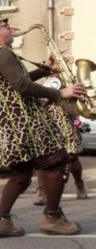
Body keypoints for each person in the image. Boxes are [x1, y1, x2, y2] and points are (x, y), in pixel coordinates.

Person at [0, 9, 86, 237]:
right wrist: (61, 92)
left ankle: (0, 221)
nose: (10, 28)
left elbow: (16, 80)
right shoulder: (3, 54)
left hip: (6, 128)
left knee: (21, 175)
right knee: (58, 162)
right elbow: (22, 87)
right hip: (23, 125)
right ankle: (52, 217)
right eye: (5, 26)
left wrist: (44, 70)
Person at [34, 77, 88, 205]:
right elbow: (38, 103)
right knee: (43, 160)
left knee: (73, 159)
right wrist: (50, 93)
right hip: (47, 128)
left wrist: (63, 94)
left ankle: (79, 184)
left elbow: (75, 109)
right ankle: (42, 191)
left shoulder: (71, 84)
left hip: (67, 128)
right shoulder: (44, 85)